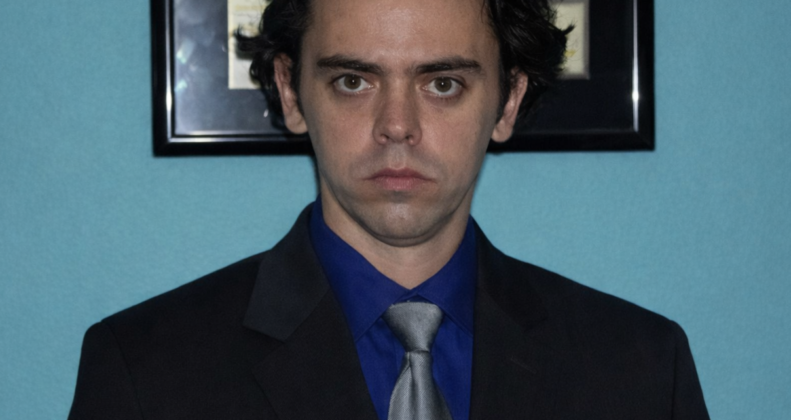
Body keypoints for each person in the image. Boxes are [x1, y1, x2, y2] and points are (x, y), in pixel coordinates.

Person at [68, 0, 710, 418]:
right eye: (353, 81)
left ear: (508, 101)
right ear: (290, 91)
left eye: (443, 84)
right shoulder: (143, 373)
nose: (397, 125)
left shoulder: (642, 372)